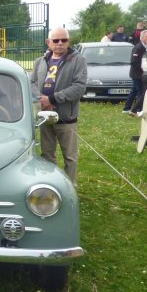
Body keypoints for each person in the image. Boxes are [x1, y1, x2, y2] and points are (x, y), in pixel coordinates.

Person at [30, 27, 87, 186]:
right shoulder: (40, 61)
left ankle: (69, 187)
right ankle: (52, 186)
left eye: (64, 40)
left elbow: (79, 87)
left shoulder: (77, 60)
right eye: (56, 40)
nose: (60, 43)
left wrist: (53, 99)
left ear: (68, 42)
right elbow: (32, 82)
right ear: (48, 43)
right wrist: (42, 100)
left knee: (70, 156)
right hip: (44, 116)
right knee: (47, 154)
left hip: (66, 117)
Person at [123, 29, 147, 114]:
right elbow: (134, 62)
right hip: (137, 74)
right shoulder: (138, 47)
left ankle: (126, 108)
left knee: (134, 91)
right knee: (141, 92)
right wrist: (143, 70)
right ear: (142, 37)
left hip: (139, 73)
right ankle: (139, 110)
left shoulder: (146, 46)